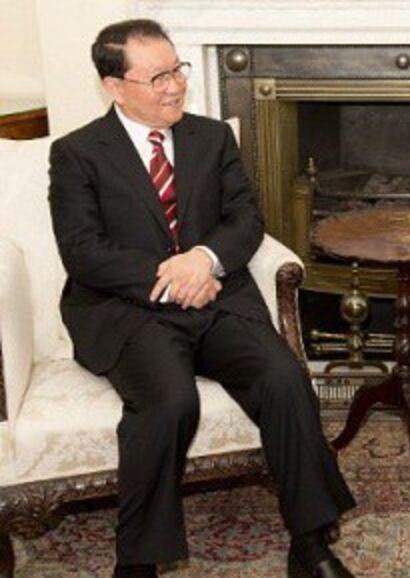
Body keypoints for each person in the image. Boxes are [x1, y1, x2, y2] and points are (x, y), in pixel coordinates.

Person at [48, 19, 356, 578]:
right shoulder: (77, 154)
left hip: (216, 298)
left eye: (177, 70)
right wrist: (174, 273)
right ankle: (137, 562)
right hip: (130, 309)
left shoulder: (212, 138)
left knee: (284, 378)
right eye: (157, 77)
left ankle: (310, 544)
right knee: (170, 402)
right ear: (114, 86)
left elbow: (246, 219)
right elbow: (83, 251)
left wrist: (205, 260)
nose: (175, 86)